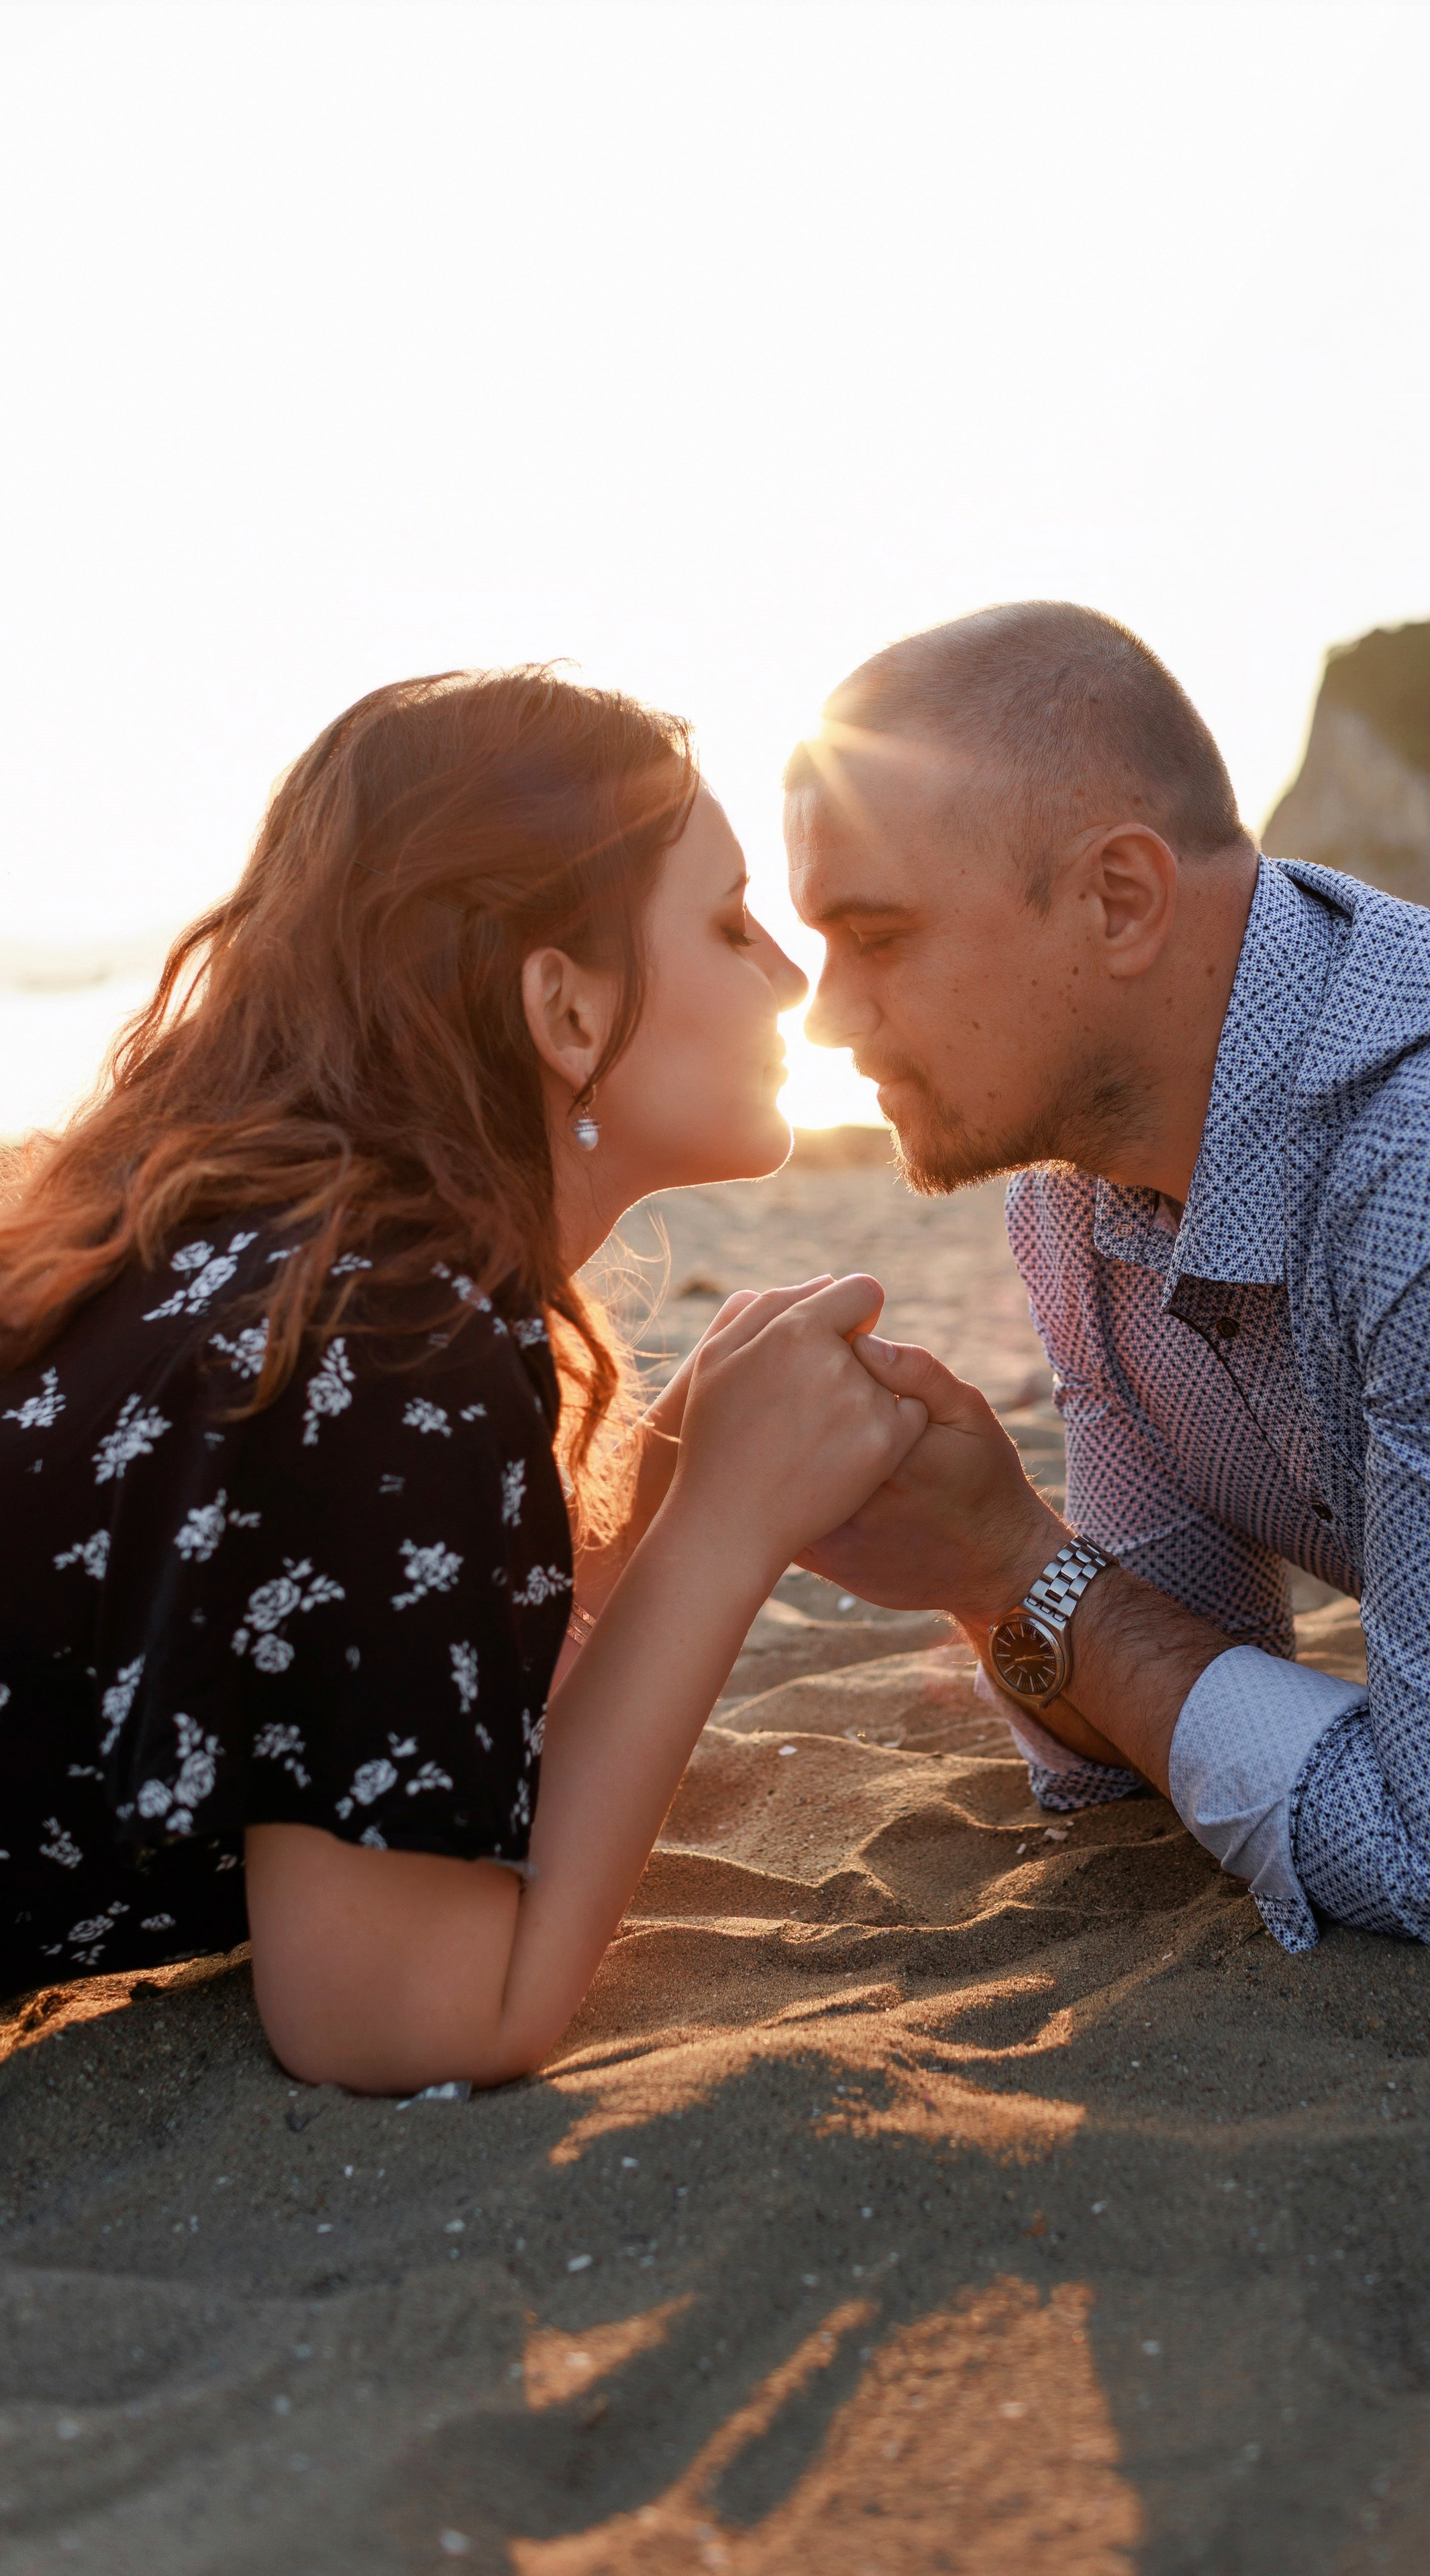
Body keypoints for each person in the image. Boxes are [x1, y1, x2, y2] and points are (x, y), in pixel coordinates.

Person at [0, 667, 926, 2090]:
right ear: (564, 1014)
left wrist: (641, 1521)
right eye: (731, 926)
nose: (793, 985)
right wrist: (730, 1527)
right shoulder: (385, 1336)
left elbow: (350, 1705)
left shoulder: (257, 1248)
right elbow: (402, 2018)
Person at [786, 600, 1430, 1952]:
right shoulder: (1078, 1200)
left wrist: (1010, 1559)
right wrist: (980, 1567)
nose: (819, 1013)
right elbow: (1137, 1733)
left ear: (1120, 900)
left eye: (874, 937)